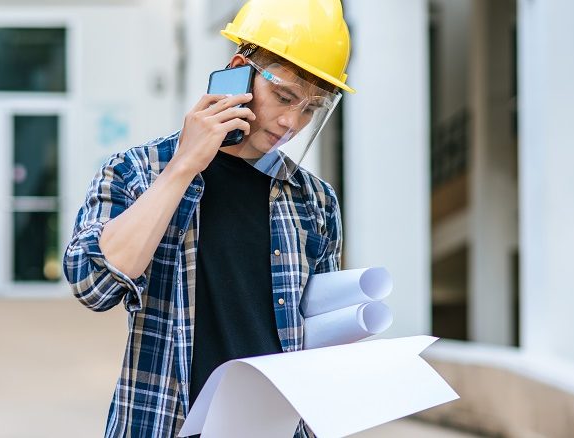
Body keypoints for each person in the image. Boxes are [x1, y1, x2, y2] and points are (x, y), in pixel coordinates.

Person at [63, 0, 355, 436]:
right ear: (240, 70)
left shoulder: (315, 201)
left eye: (311, 109)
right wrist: (182, 167)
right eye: (284, 96)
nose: (291, 122)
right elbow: (94, 287)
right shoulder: (135, 171)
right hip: (164, 422)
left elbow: (316, 338)